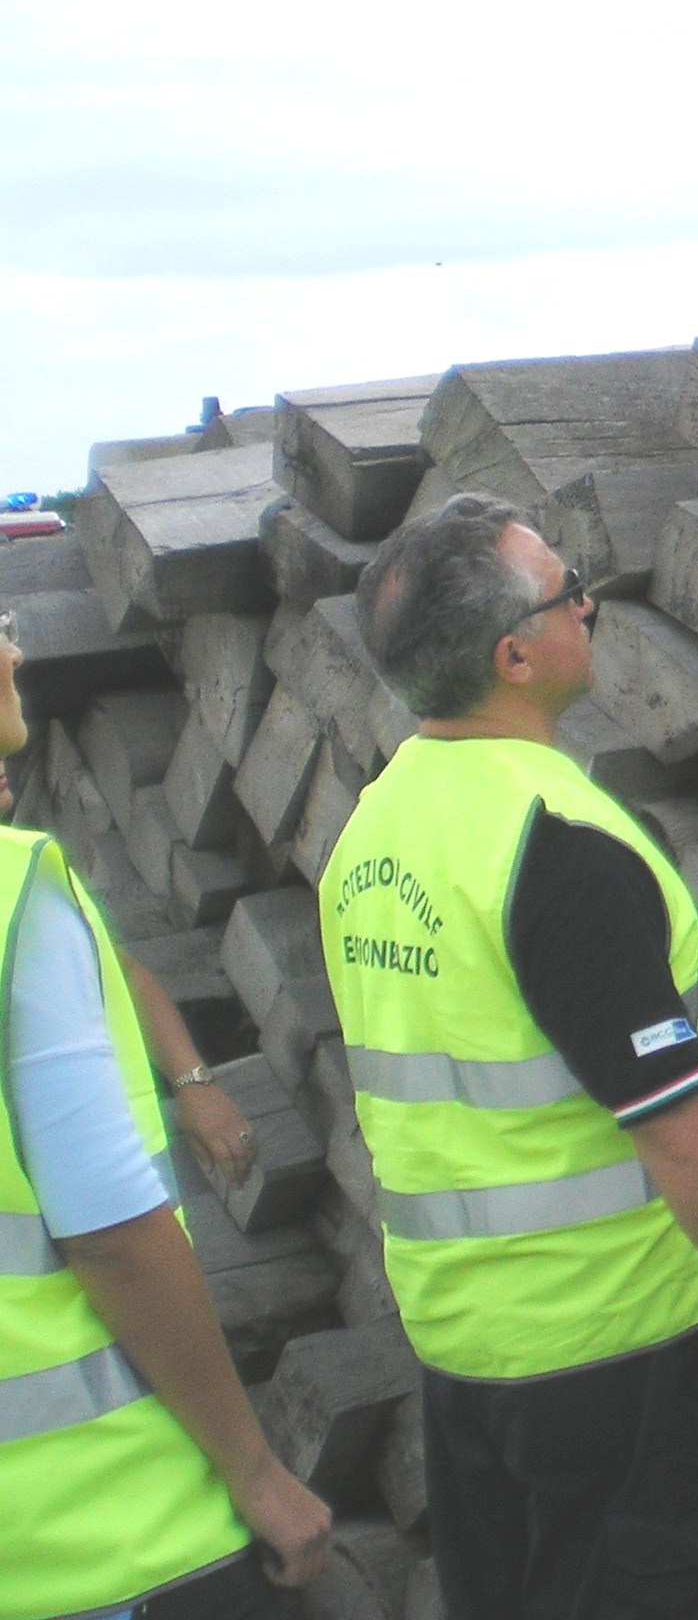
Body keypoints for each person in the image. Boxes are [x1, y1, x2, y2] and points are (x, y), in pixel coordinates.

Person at [318, 499, 698, 1619]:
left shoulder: (372, 834)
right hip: (613, 1360)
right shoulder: (554, 847)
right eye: (567, 588)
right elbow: (677, 1131)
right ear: (514, 657)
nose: (590, 603)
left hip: (468, 1356)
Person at [0, 608, 334, 1620]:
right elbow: (112, 1234)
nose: (15, 648)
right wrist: (255, 1472)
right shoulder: (16, 896)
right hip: (108, 1534)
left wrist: (189, 1082)